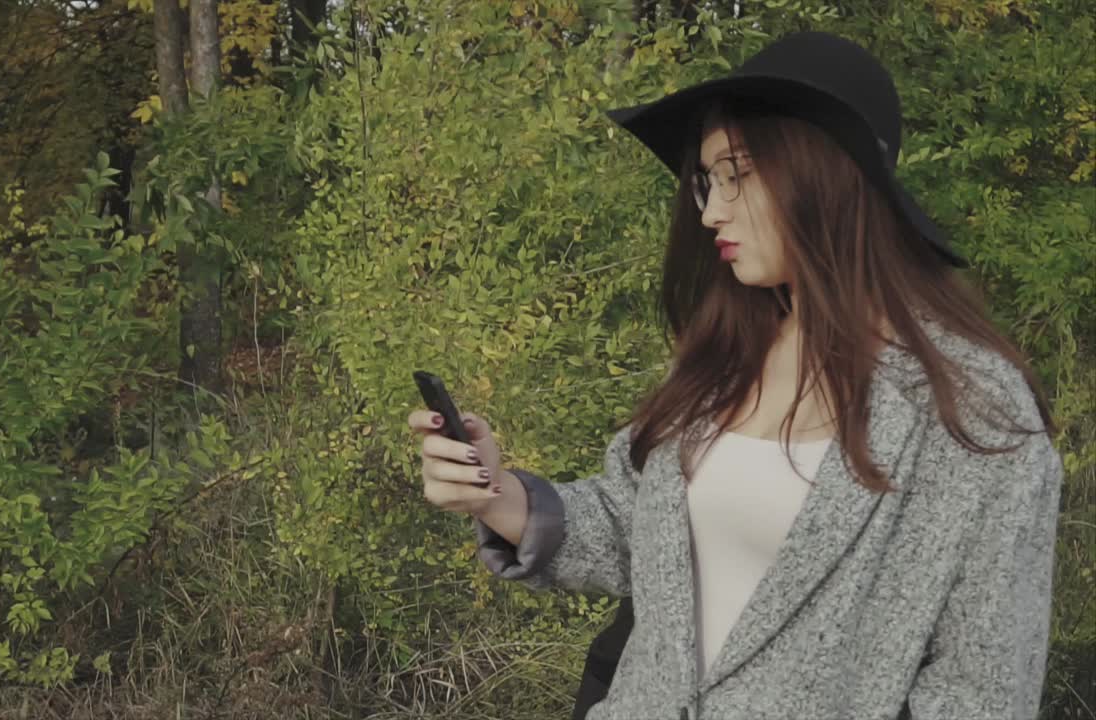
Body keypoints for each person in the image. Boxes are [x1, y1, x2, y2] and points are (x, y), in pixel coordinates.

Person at [407, 31, 1063, 720]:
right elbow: (641, 534)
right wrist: (498, 495)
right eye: (706, 180)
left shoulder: (974, 410)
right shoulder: (723, 360)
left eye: (736, 174)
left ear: (826, 174)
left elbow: (983, 689)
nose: (710, 210)